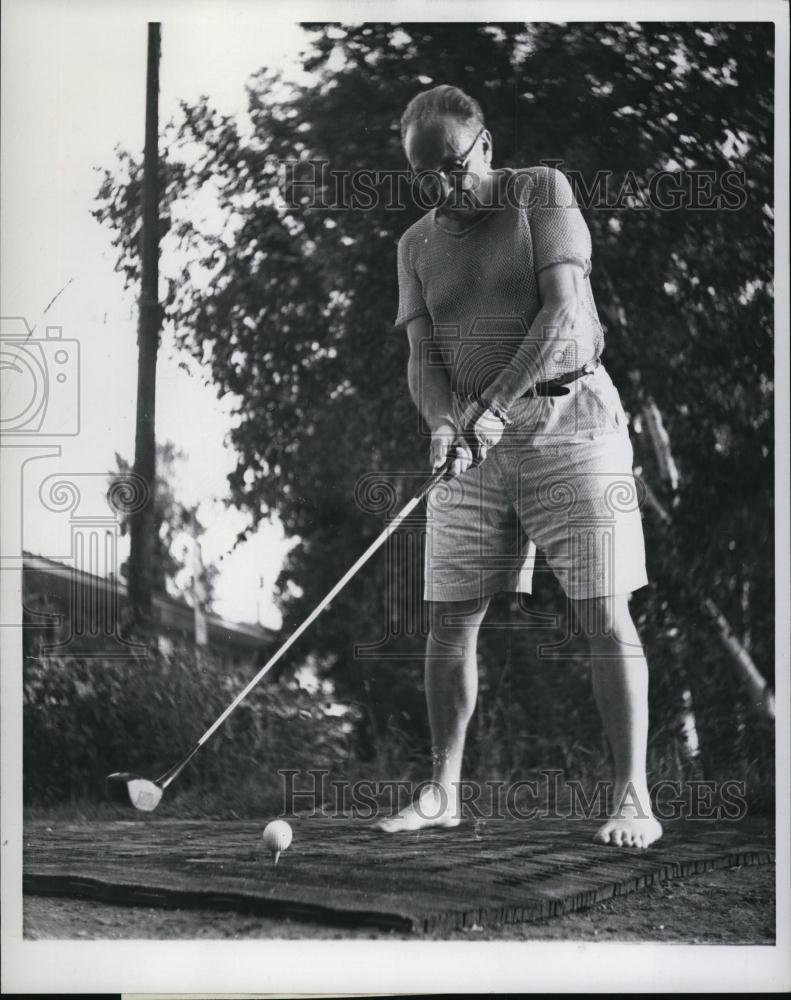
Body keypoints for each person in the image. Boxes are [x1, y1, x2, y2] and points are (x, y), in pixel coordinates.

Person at [374, 85, 663, 849]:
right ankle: (442, 792)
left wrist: (494, 408)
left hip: (570, 423)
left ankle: (632, 797)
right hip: (470, 435)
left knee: (602, 612)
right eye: (423, 177)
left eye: (451, 166)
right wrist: (442, 423)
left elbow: (563, 311)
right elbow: (421, 359)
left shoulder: (542, 191)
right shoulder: (414, 245)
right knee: (448, 620)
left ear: (486, 147)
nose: (441, 188)